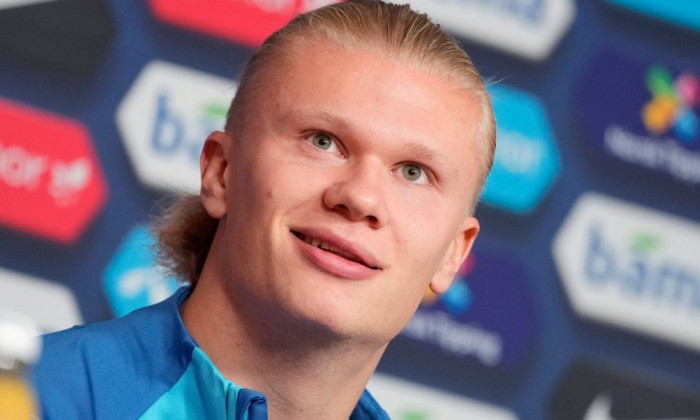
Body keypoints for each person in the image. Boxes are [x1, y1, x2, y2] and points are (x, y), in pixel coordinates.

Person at [31, 0, 496, 418]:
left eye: (413, 172)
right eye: (323, 142)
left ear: (453, 253)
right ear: (221, 173)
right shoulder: (34, 401)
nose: (361, 198)